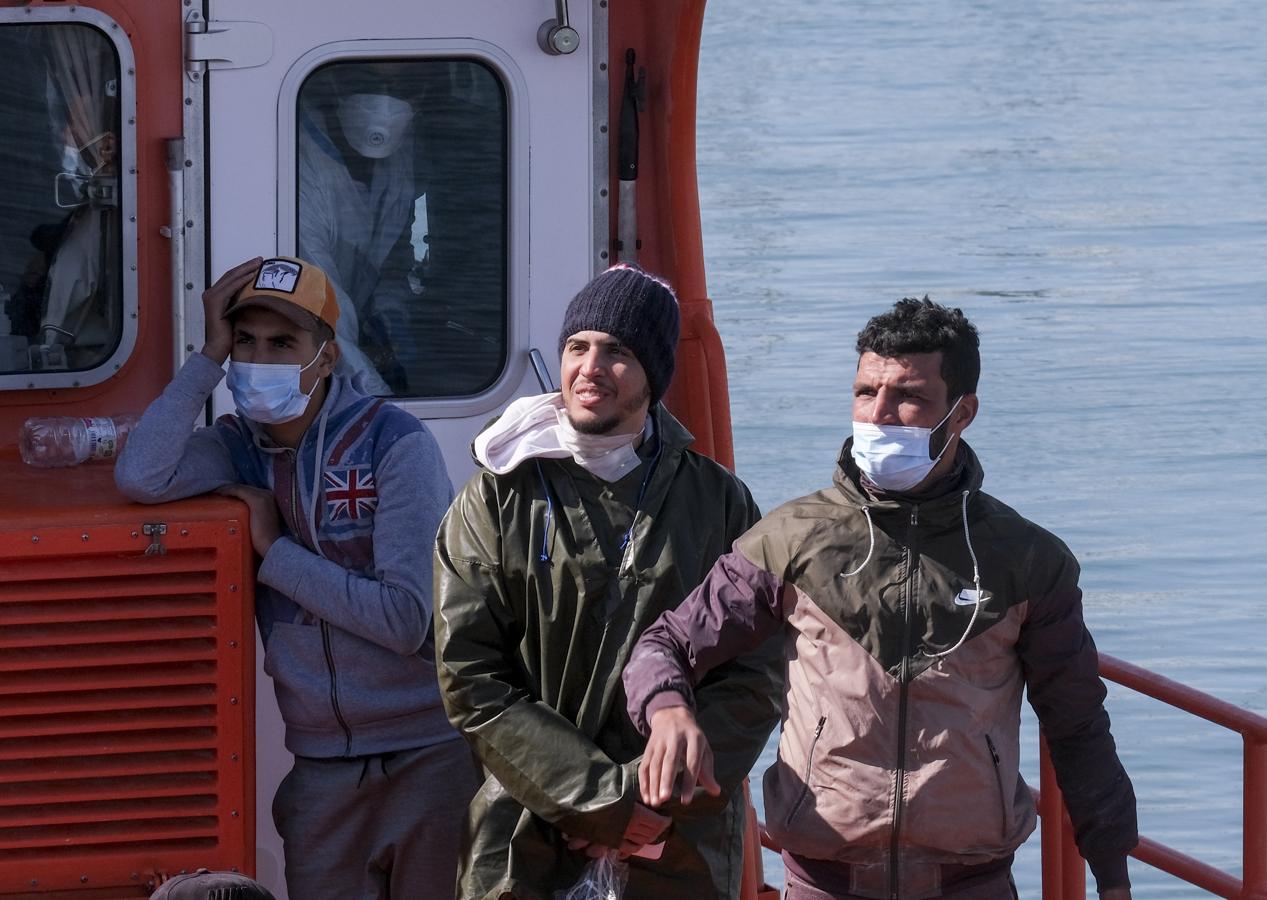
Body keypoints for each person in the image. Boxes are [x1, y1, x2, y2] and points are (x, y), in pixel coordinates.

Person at [623, 297, 1139, 900]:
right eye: (866, 392)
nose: (880, 415)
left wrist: (1112, 876)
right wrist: (667, 710)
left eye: (909, 397)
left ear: (963, 412)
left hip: (973, 883)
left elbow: (1077, 722)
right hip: (823, 881)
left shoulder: (1027, 559)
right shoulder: (793, 539)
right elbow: (666, 644)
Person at [115, 256, 479, 900]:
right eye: (246, 342)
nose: (261, 360)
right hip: (320, 766)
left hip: (431, 753)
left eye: (283, 343)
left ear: (327, 357)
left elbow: (405, 619)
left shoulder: (395, 444)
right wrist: (207, 358)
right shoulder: (236, 445)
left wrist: (273, 549)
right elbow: (142, 476)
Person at [433, 264, 783, 899]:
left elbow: (755, 674)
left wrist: (655, 808)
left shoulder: (718, 500)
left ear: (653, 374)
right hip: (522, 837)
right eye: (577, 347)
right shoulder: (496, 498)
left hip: (679, 843)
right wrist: (602, 805)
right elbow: (472, 681)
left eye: (617, 351)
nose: (590, 367)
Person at [298, 68, 419, 396]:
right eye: (368, 80)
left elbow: (397, 248)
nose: (383, 100)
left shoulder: (402, 152)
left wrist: (390, 314)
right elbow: (317, 300)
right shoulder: (298, 161)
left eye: (395, 83)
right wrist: (376, 396)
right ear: (336, 81)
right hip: (323, 347)